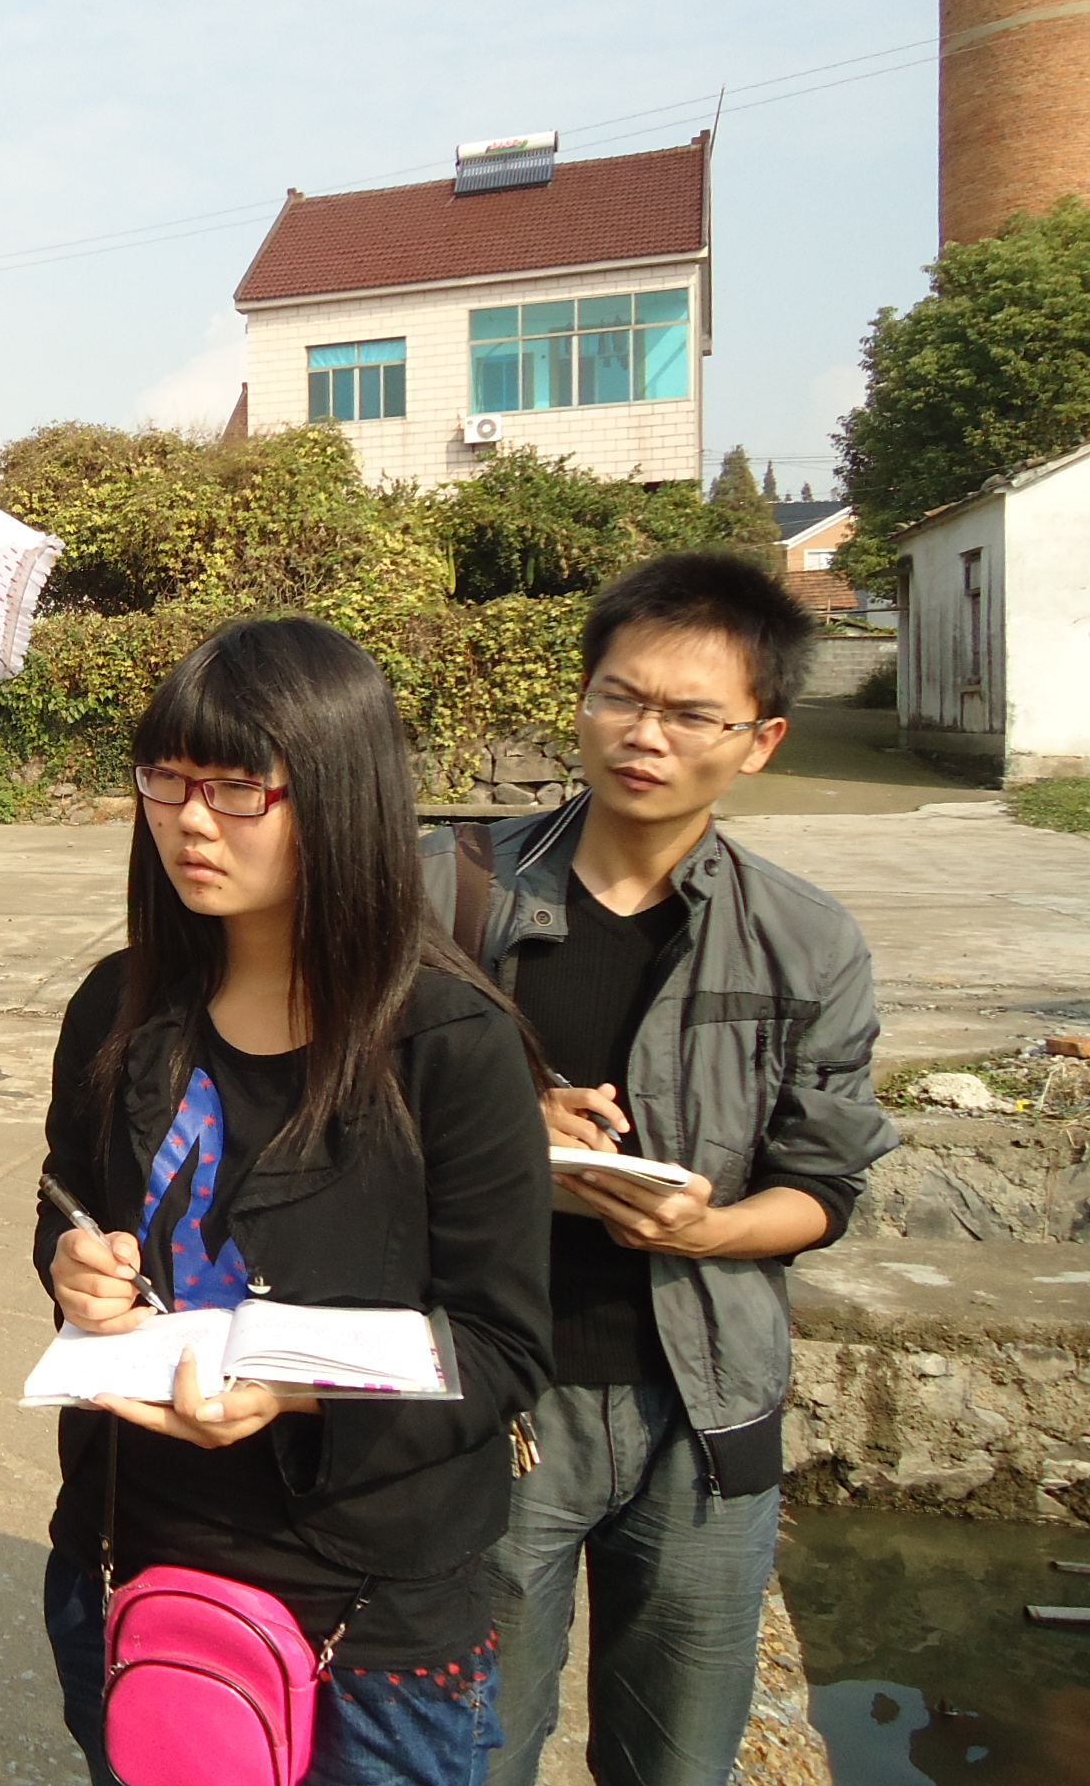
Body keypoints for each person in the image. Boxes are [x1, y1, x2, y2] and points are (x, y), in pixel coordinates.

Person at [39, 615, 554, 1786]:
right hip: (136, 1562)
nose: (190, 819)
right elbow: (64, 1203)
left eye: (235, 787)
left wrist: (297, 1392)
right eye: (165, 778)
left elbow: (504, 1345)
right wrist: (75, 1272)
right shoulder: (119, 1007)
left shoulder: (448, 1041)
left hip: (364, 1620)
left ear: (335, 792)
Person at [416, 552, 898, 1786]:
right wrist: (508, 1122)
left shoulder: (805, 940)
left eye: (691, 714)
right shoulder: (445, 892)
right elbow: (336, 1100)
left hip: (704, 1414)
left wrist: (706, 1231)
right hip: (490, 1404)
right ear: (581, 699)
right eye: (621, 698)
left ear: (761, 740)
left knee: (677, 1760)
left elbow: (823, 1186)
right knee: (470, 1753)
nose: (645, 736)